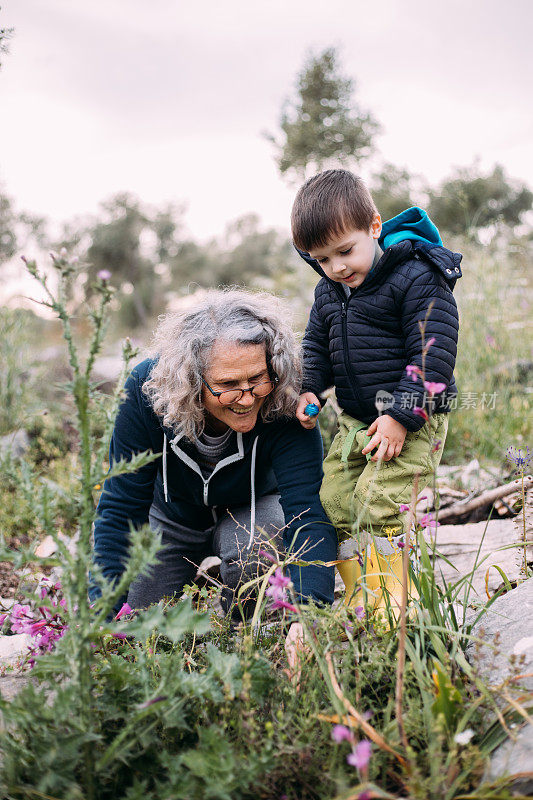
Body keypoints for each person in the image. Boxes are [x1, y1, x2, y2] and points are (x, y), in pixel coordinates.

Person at [89, 289, 336, 646]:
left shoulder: (286, 399)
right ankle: (197, 581)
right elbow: (120, 507)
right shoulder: (148, 391)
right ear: (191, 380)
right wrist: (105, 611)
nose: (248, 397)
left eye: (257, 379)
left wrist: (310, 613)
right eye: (227, 385)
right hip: (174, 517)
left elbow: (307, 513)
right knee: (141, 628)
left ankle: (243, 634)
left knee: (253, 545)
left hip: (255, 510)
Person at [291, 169, 461, 624]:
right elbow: (316, 348)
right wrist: (309, 389)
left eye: (345, 251)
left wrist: (401, 417)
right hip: (356, 420)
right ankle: (357, 594)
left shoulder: (417, 277)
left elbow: (434, 357)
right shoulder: (329, 292)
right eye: (322, 259)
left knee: (379, 499)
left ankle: (391, 603)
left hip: (412, 416)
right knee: (337, 498)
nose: (338, 267)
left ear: (374, 226)